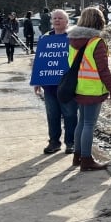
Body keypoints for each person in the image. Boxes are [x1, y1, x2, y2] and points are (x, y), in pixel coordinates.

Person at [67, 7, 111, 171]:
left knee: (81, 122)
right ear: (99, 21)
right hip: (93, 88)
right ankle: (87, 160)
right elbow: (103, 69)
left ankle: (77, 156)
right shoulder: (96, 42)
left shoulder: (73, 41)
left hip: (79, 87)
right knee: (89, 124)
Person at [34, 9, 78, 155]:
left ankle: (71, 142)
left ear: (67, 21)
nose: (57, 20)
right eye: (55, 18)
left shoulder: (73, 38)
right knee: (52, 116)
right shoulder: (45, 38)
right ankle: (54, 142)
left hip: (67, 86)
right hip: (49, 86)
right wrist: (37, 80)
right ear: (51, 21)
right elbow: (40, 60)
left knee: (70, 115)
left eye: (60, 18)